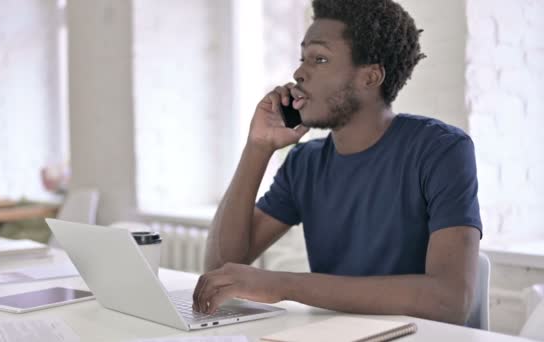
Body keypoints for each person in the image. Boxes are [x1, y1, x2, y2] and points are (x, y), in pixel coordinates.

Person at [192, 0, 482, 325]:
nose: (299, 72)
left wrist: (284, 284)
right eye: (303, 59)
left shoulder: (440, 150)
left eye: (319, 58)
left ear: (370, 77)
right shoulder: (305, 163)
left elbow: (450, 301)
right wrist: (257, 148)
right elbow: (221, 271)